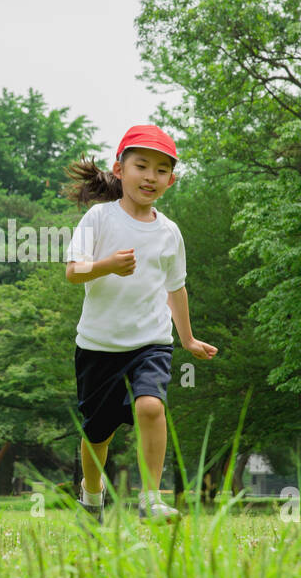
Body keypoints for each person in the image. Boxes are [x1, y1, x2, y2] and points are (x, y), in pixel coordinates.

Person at [63, 125, 217, 522]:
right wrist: (106, 266)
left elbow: (176, 289)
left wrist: (188, 339)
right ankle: (92, 496)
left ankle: (151, 498)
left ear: (171, 180)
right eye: (141, 166)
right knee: (98, 433)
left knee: (151, 406)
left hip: (151, 340)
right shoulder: (99, 218)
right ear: (119, 169)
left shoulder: (169, 233)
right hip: (98, 345)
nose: (151, 176)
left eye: (161, 170)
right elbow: (74, 272)